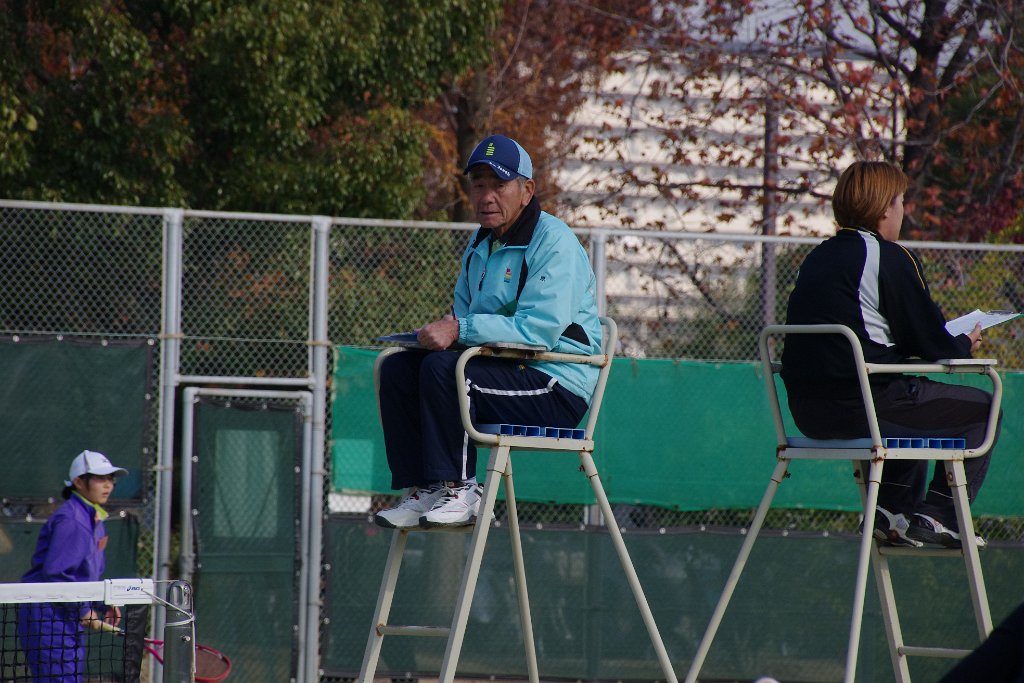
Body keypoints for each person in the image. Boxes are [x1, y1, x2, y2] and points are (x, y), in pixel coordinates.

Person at [374, 134, 602, 529]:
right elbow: (464, 319)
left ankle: (462, 490)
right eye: (478, 185)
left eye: (499, 185)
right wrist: (441, 333)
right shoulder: (480, 242)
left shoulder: (555, 241)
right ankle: (425, 488)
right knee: (398, 368)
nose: (486, 196)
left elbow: (539, 332)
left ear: (527, 190)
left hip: (557, 384)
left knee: (448, 371)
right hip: (506, 369)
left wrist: (459, 329)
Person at [780, 160, 999, 549]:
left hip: (808, 413)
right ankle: (941, 516)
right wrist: (962, 344)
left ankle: (890, 512)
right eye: (900, 201)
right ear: (884, 208)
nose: (903, 211)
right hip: (865, 407)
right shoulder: (888, 256)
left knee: (910, 400)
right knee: (985, 408)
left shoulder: (816, 258)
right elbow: (930, 340)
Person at [17, 450, 128, 682]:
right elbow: (57, 574)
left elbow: (83, 575)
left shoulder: (94, 519)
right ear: (78, 482)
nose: (108, 484)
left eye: (111, 479)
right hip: (49, 618)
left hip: (67, 617)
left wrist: (101, 602)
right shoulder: (73, 520)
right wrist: (83, 610)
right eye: (100, 478)